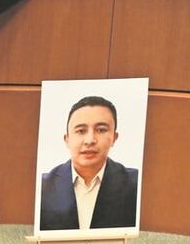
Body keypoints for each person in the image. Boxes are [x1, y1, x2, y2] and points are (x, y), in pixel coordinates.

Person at [39, 96, 138, 232]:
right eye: (81, 131)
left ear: (114, 138)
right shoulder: (42, 188)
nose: (90, 140)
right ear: (67, 139)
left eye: (101, 130)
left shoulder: (136, 185)